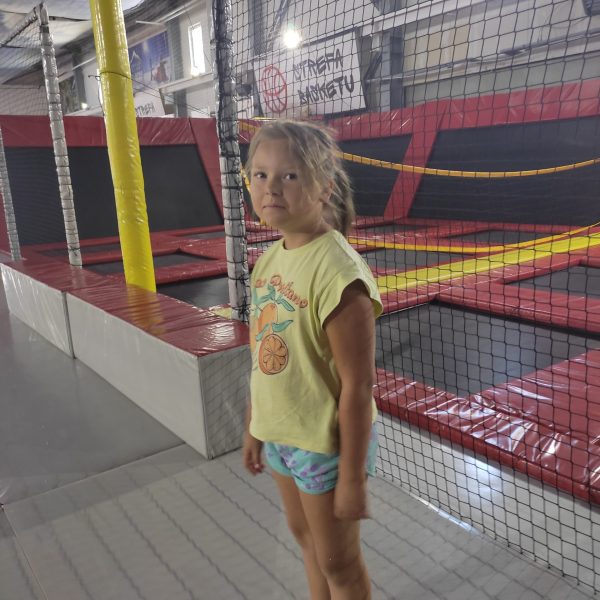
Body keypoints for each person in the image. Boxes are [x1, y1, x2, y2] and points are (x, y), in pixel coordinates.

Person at [242, 120, 382, 600]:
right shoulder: (268, 261)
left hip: (323, 444)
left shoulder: (338, 274)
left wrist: (353, 478)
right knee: (306, 541)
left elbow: (358, 386)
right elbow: (262, 355)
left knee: (339, 563)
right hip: (282, 432)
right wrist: (255, 425)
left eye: (289, 176)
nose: (271, 188)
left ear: (324, 188)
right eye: (260, 175)